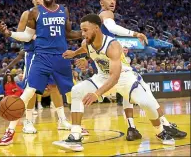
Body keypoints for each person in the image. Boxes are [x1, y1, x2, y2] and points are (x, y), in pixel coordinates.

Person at [53, 14, 178, 152]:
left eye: (85, 30)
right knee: (77, 90)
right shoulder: (85, 43)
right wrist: (74, 54)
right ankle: (75, 136)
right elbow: (86, 50)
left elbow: (115, 77)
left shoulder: (113, 45)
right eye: (82, 30)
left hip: (125, 77)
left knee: (148, 104)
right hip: (102, 77)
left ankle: (160, 130)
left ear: (96, 28)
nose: (82, 34)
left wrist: (97, 93)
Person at [0, 0, 82, 145]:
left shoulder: (64, 10)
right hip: (41, 57)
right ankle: (10, 131)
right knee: (28, 92)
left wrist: (85, 34)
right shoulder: (35, 12)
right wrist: (9, 33)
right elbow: (27, 36)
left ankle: (76, 126)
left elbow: (69, 33)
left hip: (61, 56)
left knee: (72, 93)